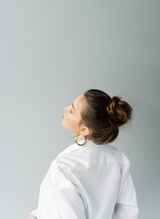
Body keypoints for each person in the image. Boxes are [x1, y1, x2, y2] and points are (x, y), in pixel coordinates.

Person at [25, 88, 139, 219]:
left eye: (72, 110)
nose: (65, 108)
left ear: (84, 130)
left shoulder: (63, 168)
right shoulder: (119, 160)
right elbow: (128, 213)